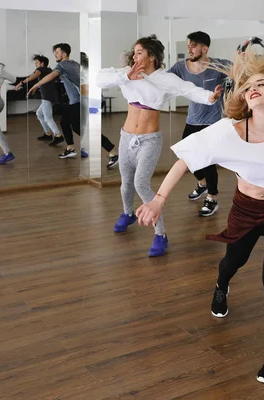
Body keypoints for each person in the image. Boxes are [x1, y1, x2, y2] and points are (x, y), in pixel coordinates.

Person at [135, 48, 264, 383]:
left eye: (261, 83)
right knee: (233, 261)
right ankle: (220, 285)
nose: (252, 88)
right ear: (245, 98)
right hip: (247, 208)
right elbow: (185, 159)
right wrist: (158, 200)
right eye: (248, 87)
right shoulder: (227, 131)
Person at [96, 34, 222, 257]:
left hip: (149, 140)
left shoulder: (164, 78)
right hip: (126, 136)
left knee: (140, 183)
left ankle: (160, 234)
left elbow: (188, 89)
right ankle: (128, 213)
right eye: (134, 52)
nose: (134, 55)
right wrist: (127, 74)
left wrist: (210, 97)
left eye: (139, 52)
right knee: (125, 182)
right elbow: (99, 79)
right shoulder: (127, 74)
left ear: (152, 56)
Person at [168, 31, 231, 216]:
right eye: (188, 45)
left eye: (193, 45)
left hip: (212, 122)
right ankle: (202, 183)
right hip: (192, 119)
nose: (189, 48)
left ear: (205, 49)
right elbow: (162, 81)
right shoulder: (180, 68)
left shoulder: (219, 66)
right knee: (185, 156)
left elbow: (240, 73)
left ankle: (212, 198)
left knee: (207, 160)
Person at [28, 43, 83, 158]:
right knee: (64, 122)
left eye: (57, 52)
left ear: (64, 53)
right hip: (78, 100)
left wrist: (35, 85)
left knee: (76, 127)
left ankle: (109, 149)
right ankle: (70, 147)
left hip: (77, 101)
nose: (55, 55)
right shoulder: (75, 64)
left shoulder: (62, 65)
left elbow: (51, 76)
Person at [80, 52, 118, 168]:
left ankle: (113, 152)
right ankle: (84, 148)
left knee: (92, 131)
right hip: (91, 102)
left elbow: (87, 90)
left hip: (93, 103)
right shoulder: (85, 71)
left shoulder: (85, 72)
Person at [15, 54, 64, 143]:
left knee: (48, 118)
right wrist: (36, 87)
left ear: (42, 63)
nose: (35, 65)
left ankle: (58, 135)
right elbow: (46, 83)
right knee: (39, 113)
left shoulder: (41, 69)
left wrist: (21, 82)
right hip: (51, 96)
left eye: (37, 63)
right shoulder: (49, 70)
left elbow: (33, 76)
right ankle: (48, 134)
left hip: (47, 97)